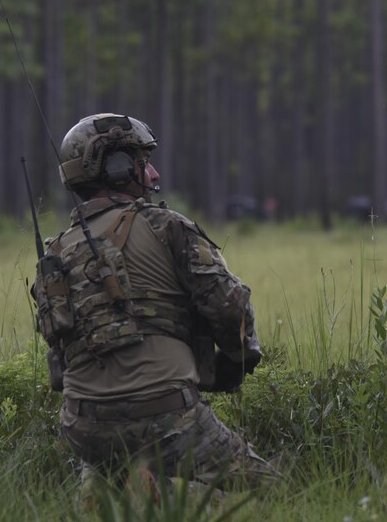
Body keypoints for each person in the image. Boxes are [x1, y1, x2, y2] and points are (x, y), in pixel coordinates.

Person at [32, 113, 278, 504]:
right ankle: (158, 494)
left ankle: (102, 492)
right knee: (271, 497)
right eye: (141, 161)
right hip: (164, 415)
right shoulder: (168, 227)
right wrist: (237, 362)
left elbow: (61, 357)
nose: (152, 171)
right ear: (115, 168)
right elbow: (232, 311)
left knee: (109, 453)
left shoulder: (56, 253)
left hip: (82, 425)